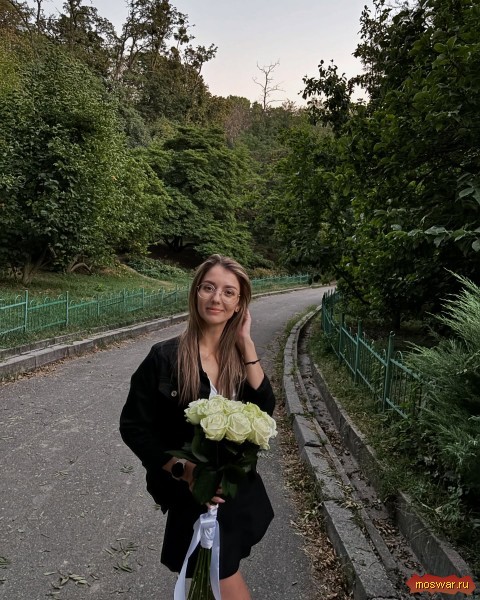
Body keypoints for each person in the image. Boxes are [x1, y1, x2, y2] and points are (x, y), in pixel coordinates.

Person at [119, 254, 275, 600]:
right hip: (190, 493)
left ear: (239, 304)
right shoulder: (165, 358)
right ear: (196, 293)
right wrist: (182, 469)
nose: (216, 298)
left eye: (228, 292)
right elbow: (134, 426)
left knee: (217, 577)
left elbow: (265, 409)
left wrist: (247, 343)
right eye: (208, 288)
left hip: (234, 494)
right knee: (218, 577)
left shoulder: (239, 358)